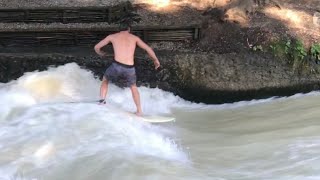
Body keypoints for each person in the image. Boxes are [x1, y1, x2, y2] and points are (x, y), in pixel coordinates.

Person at [94, 23, 160, 116]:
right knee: (133, 87)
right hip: (129, 68)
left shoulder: (112, 36)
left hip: (116, 65)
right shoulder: (134, 38)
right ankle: (139, 111)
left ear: (119, 29)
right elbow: (148, 49)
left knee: (105, 80)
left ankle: (102, 101)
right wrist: (155, 60)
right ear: (129, 29)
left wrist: (100, 53)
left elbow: (96, 47)